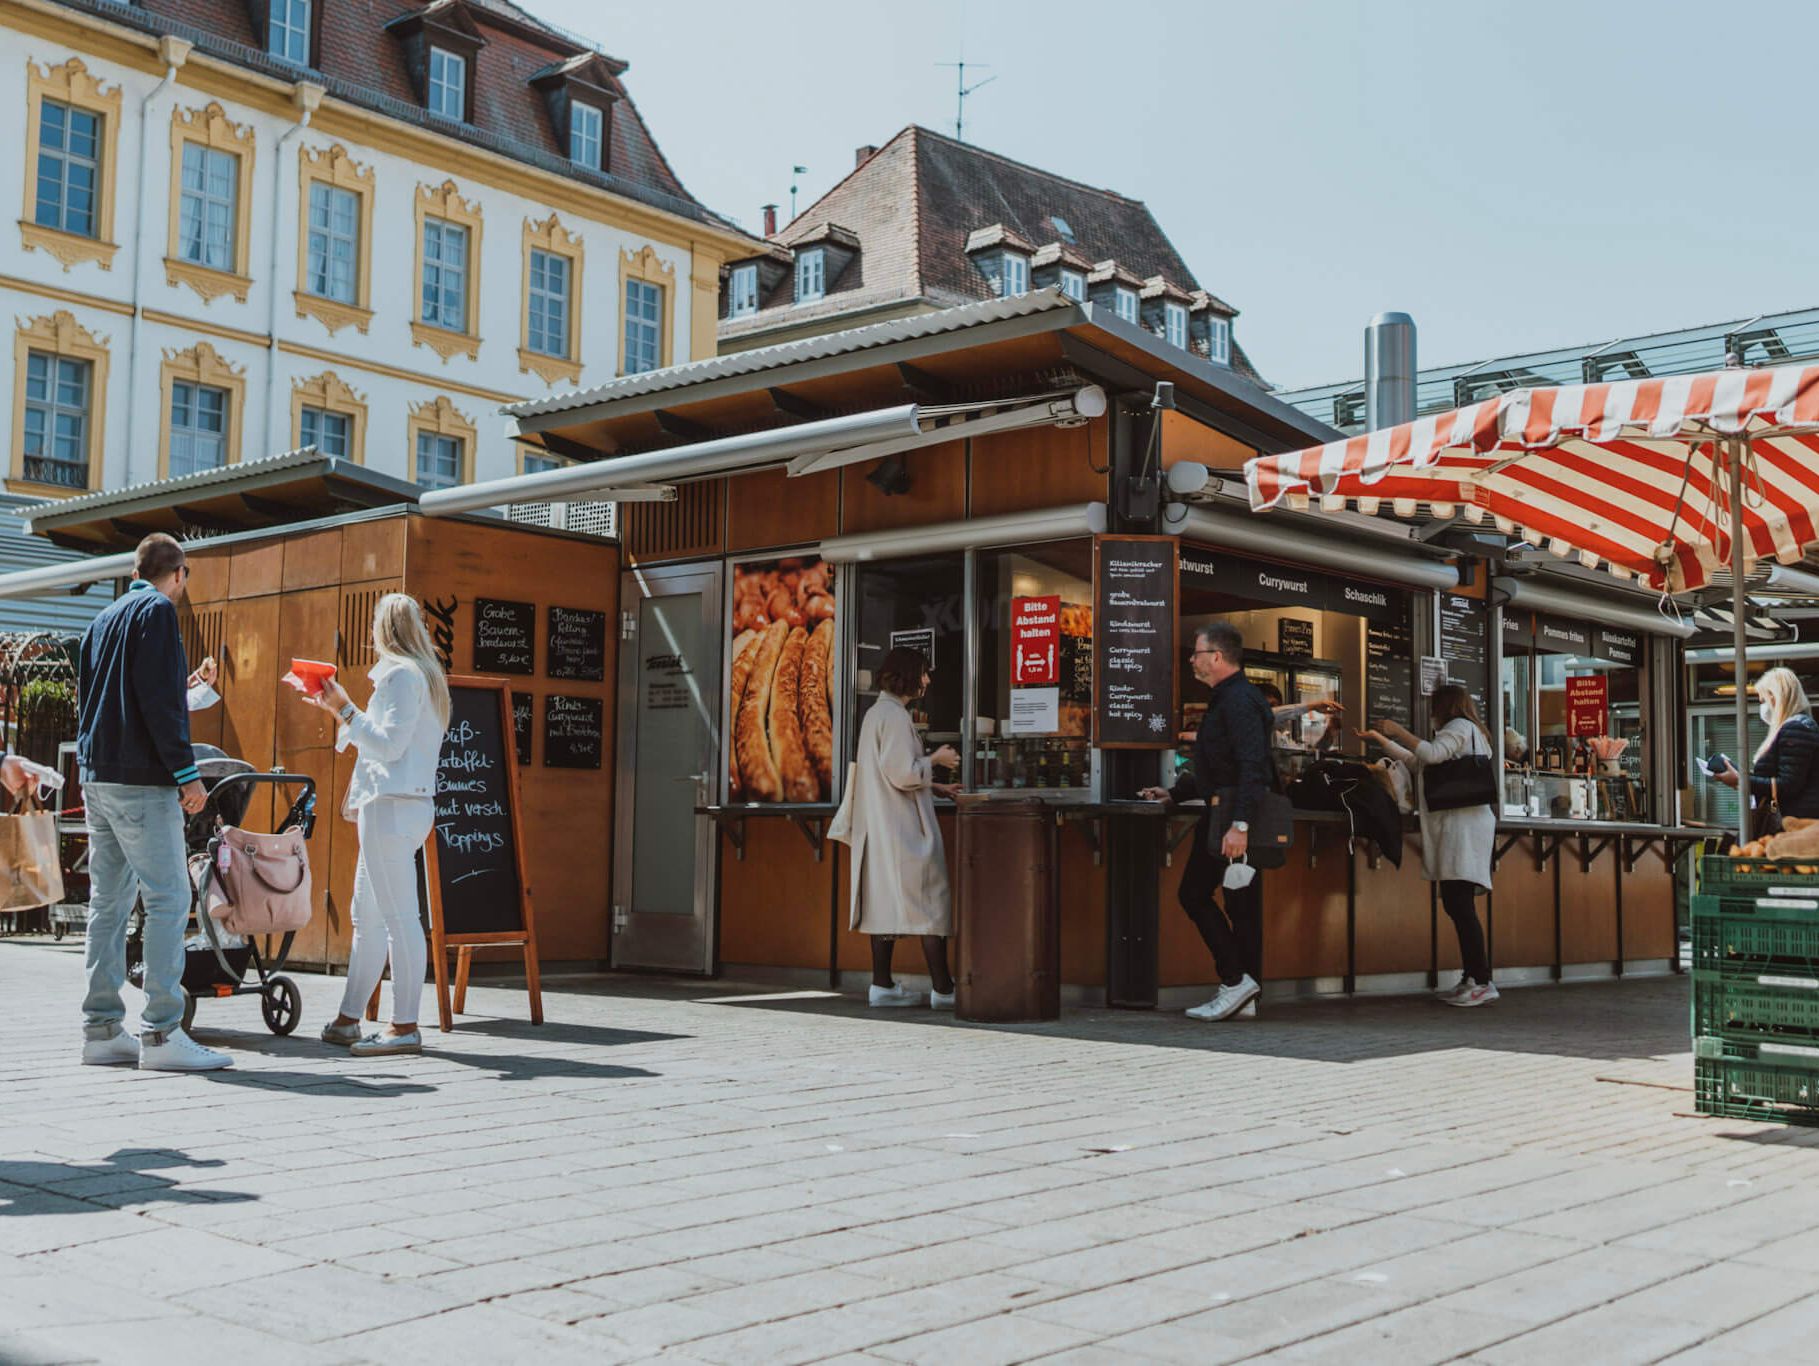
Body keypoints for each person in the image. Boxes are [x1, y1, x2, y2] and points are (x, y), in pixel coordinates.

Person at [76, 534, 231, 1071]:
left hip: (98, 776)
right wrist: (189, 777)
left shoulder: (103, 619)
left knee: (108, 904)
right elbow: (160, 707)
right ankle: (163, 1034)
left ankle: (100, 1030)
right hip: (143, 780)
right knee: (168, 899)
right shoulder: (159, 612)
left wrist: (181, 685)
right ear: (179, 575)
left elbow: (112, 698)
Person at [299, 594, 448, 1056]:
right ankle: (348, 1018)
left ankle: (404, 1026)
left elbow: (387, 745)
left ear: (382, 630)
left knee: (399, 918)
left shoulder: (402, 675)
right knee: (368, 915)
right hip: (403, 805)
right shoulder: (425, 675)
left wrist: (344, 708)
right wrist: (342, 710)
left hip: (390, 806)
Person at [1140, 621, 1275, 1022]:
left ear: (1216, 657)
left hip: (1231, 817)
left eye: (1196, 653)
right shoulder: (1229, 698)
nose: (1191, 660)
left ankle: (1236, 982)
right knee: (1242, 907)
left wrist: (1241, 826)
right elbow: (1220, 765)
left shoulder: (1238, 701)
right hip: (1224, 812)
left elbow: (1254, 767)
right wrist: (1175, 793)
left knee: (1195, 895)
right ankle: (1245, 994)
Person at [1360, 685, 1498, 1008]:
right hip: (1459, 829)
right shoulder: (1462, 733)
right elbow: (1417, 761)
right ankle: (1472, 977)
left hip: (1463, 829)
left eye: (1434, 706)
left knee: (1460, 904)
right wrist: (1381, 741)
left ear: (1445, 706)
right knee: (1455, 902)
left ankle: (1482, 980)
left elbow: (1430, 754)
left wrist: (1398, 730)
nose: (1431, 712)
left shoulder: (1461, 729)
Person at [840, 647, 960, 1008]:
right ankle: (943, 989)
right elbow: (902, 772)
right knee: (931, 904)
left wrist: (936, 785)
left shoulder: (877, 714)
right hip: (904, 829)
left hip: (881, 828)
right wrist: (936, 760)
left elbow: (883, 770)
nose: (926, 680)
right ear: (907, 675)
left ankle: (882, 985)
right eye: (923, 673)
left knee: (884, 907)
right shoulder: (893, 716)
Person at [1710, 666, 1819, 822]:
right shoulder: (1797, 726)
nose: (1761, 706)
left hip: (1794, 823)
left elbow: (1788, 785)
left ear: (1775, 697)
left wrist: (1741, 780)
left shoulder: (1796, 728)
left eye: (1763, 700)